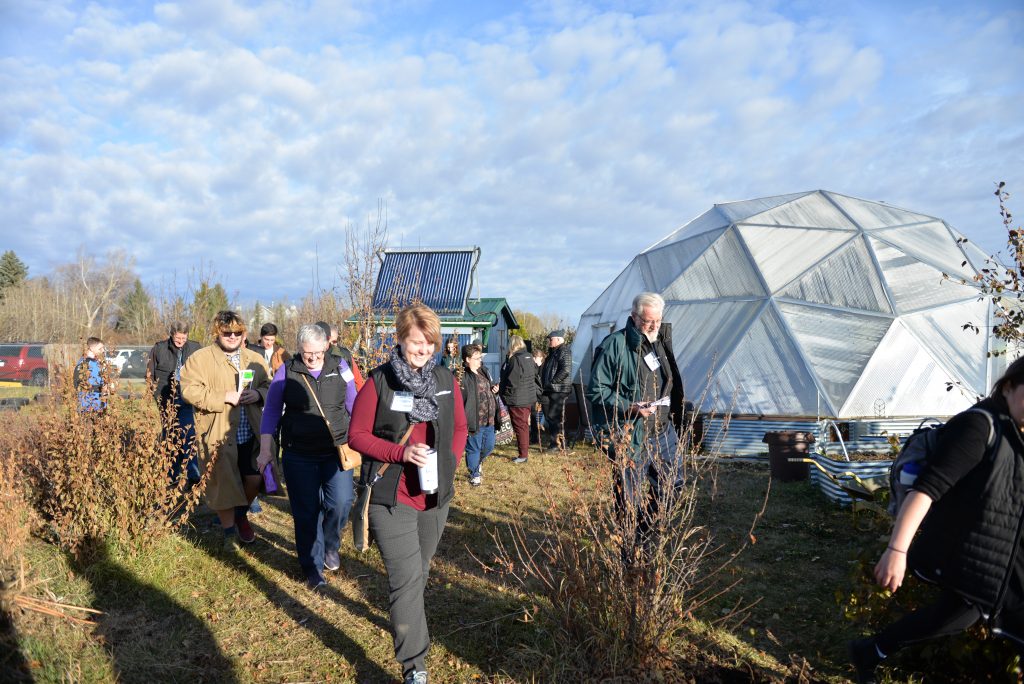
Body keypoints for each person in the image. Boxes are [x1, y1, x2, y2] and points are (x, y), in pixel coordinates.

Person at [849, 357, 1024, 683]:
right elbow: (926, 491)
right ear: (1010, 386)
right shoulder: (978, 428)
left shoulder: (1018, 433)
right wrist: (896, 551)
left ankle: (869, 651)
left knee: (953, 618)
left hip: (1005, 561)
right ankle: (869, 650)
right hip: (974, 553)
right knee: (957, 616)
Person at [348, 304, 468, 684]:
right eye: (417, 343)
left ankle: (408, 624)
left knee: (419, 572)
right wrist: (401, 453)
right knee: (405, 579)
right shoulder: (380, 382)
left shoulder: (446, 379)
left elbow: (462, 427)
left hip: (435, 496)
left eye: (430, 344)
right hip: (392, 495)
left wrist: (449, 460)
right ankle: (415, 666)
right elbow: (357, 436)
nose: (423, 351)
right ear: (399, 340)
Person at [258, 324, 357, 590]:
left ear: (326, 345)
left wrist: (365, 439)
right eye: (306, 353)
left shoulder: (341, 367)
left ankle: (330, 544)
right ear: (299, 349)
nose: (311, 358)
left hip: (336, 451)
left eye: (316, 352)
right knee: (306, 512)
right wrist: (266, 449)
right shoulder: (287, 370)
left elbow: (354, 405)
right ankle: (313, 568)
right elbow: (271, 412)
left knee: (341, 502)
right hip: (298, 453)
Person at [587, 292, 685, 558]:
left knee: (673, 485)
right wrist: (630, 406)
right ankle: (628, 554)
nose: (653, 326)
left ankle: (641, 533)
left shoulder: (659, 341)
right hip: (630, 434)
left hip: (663, 431)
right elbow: (596, 390)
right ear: (634, 317)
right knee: (628, 497)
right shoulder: (615, 345)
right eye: (647, 321)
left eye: (657, 320)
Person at [180, 311, 271, 551]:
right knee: (223, 483)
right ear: (217, 333)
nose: (232, 336)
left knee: (256, 477)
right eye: (226, 332)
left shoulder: (255, 358)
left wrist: (259, 394)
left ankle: (240, 515)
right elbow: (189, 391)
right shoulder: (200, 359)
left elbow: (270, 385)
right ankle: (229, 532)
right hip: (217, 433)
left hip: (250, 431)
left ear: (244, 334)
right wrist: (223, 397)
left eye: (237, 332)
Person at [148, 321, 202, 484]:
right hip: (166, 400)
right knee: (170, 436)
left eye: (184, 338)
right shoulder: (159, 348)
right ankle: (172, 475)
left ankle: (194, 475)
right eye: (178, 338)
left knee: (189, 435)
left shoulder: (195, 348)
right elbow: (150, 374)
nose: (181, 341)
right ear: (171, 335)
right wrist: (156, 395)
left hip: (187, 398)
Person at [499, 335, 541, 464]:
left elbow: (512, 381)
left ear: (512, 345)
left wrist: (504, 395)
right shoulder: (528, 357)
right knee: (523, 426)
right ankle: (524, 452)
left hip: (518, 398)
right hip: (528, 397)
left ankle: (523, 455)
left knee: (520, 427)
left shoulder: (515, 360)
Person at [460, 343, 498, 486]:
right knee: (473, 448)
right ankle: (474, 474)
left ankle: (477, 462)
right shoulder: (462, 375)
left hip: (489, 418)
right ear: (467, 359)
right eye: (476, 358)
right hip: (474, 419)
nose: (479, 360)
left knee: (489, 446)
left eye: (480, 357)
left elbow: (488, 386)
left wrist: (494, 389)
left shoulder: (483, 371)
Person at [540, 330, 572, 451]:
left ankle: (560, 444)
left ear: (558, 339)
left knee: (556, 417)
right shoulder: (553, 353)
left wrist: (552, 382)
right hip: (549, 389)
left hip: (559, 390)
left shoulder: (564, 351)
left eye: (551, 339)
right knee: (549, 416)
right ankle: (555, 442)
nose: (549, 341)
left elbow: (566, 370)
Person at [317, 321, 365, 390]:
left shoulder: (344, 355)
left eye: (334, 342)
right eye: (328, 342)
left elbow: (358, 382)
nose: (331, 345)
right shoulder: (314, 356)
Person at [74, 337, 106, 413]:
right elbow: (78, 383)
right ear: (91, 348)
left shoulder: (96, 362)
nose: (103, 351)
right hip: (88, 404)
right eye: (100, 348)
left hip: (98, 403)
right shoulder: (84, 363)